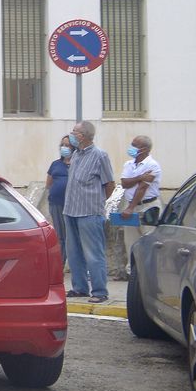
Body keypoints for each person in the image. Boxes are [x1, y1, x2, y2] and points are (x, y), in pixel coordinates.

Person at [63, 120, 116, 303]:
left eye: (74, 132)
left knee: (93, 253)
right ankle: (80, 288)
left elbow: (110, 184)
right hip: (70, 210)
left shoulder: (100, 156)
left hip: (89, 212)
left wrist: (99, 203)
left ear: (82, 136)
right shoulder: (76, 155)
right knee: (74, 252)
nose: (71, 134)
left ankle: (100, 291)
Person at [119, 135, 161, 257]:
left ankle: (149, 273)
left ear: (144, 149)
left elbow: (142, 188)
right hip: (130, 206)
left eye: (134, 145)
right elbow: (124, 183)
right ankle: (131, 272)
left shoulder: (153, 165)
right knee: (130, 243)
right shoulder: (129, 164)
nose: (131, 148)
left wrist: (130, 208)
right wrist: (140, 177)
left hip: (148, 207)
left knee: (148, 242)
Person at [43, 135, 74, 266]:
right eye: (62, 145)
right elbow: (48, 184)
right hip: (56, 203)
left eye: (67, 145)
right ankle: (60, 263)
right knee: (60, 235)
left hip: (72, 205)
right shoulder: (55, 164)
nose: (64, 148)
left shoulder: (77, 164)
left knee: (71, 235)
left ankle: (73, 263)